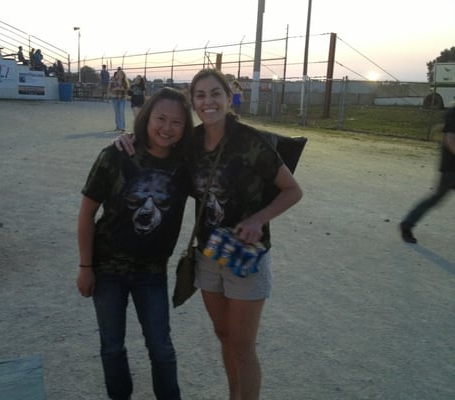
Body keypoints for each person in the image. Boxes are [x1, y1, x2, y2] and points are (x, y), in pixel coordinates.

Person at [116, 69, 303, 400]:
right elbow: (156, 155)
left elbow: (292, 190)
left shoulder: (252, 141)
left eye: (215, 93)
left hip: (247, 255)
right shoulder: (191, 145)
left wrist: (259, 219)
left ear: (229, 95)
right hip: (209, 252)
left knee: (243, 345)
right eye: (200, 96)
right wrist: (127, 141)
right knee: (224, 335)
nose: (208, 102)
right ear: (193, 102)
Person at [76, 87, 194, 400]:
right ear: (146, 117)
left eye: (176, 122)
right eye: (160, 118)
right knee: (112, 347)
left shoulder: (186, 167)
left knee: (161, 348)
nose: (166, 128)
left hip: (152, 272)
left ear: (185, 128)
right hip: (107, 269)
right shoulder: (116, 155)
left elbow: (226, 167)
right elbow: (87, 213)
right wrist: (85, 267)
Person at [400, 100, 455, 243]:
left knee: (435, 199)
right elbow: (450, 139)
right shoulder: (453, 113)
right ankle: (407, 224)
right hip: (451, 169)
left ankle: (407, 223)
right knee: (435, 199)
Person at [109, 67, 129, 132]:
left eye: (121, 74)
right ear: (117, 74)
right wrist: (118, 88)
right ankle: (118, 126)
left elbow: (126, 89)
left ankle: (122, 127)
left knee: (121, 112)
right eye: (119, 74)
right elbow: (111, 89)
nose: (120, 75)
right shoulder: (113, 80)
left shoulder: (125, 82)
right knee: (117, 113)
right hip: (114, 98)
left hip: (122, 99)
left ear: (123, 75)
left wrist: (119, 88)